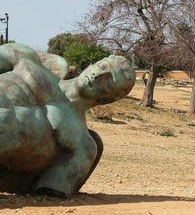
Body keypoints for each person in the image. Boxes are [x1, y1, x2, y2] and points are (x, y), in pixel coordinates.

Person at [0, 43, 135, 198]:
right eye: (102, 67)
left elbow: (49, 189)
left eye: (109, 80)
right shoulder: (28, 59)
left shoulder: (84, 146)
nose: (98, 77)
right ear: (93, 65)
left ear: (111, 98)